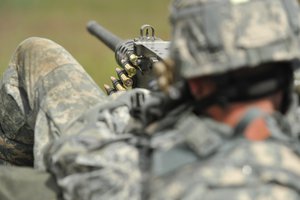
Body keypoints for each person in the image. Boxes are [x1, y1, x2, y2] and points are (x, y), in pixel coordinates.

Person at [1, 0, 300, 200]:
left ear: (195, 84)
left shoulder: (141, 170)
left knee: (36, 54)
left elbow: (69, 154)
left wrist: (142, 102)